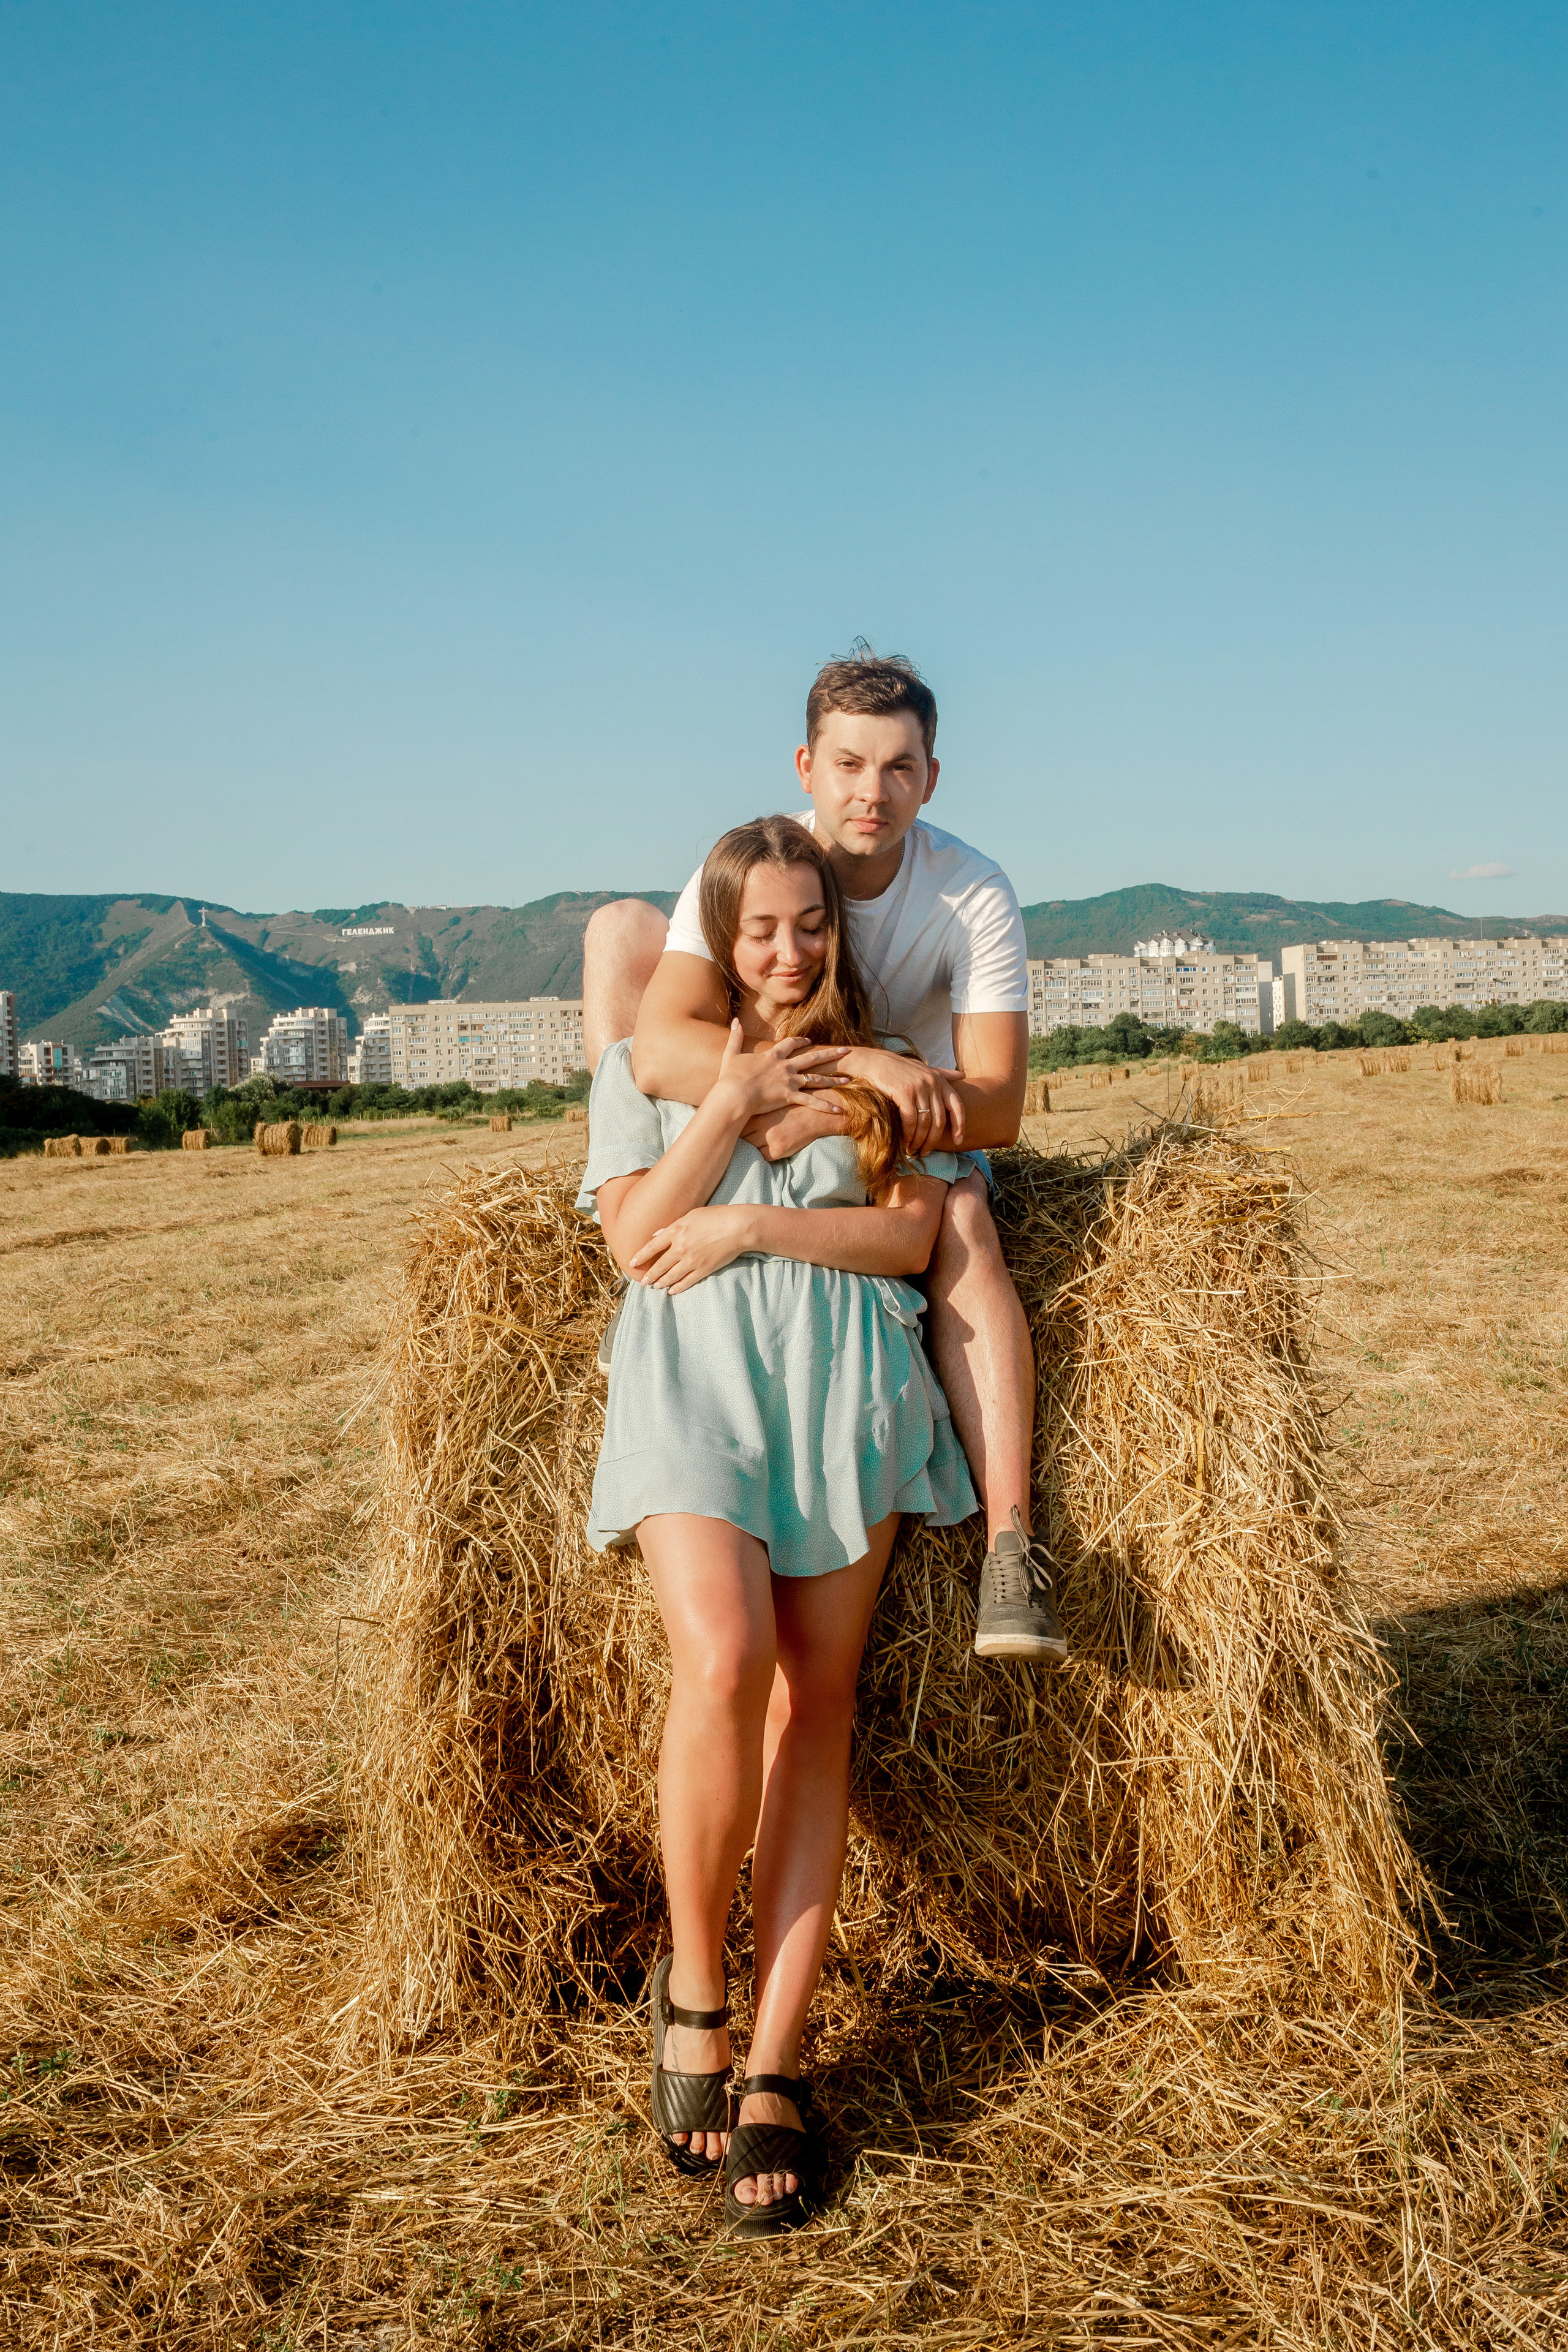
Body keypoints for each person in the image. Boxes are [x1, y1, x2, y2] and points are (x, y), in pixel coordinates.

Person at [578, 816, 977, 2237]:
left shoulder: (889, 1071)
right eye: (760, 929)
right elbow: (633, 1240)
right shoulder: (651, 1059)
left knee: (818, 1706)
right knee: (724, 1658)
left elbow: (905, 1241)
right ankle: (692, 1990)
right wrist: (729, 1102)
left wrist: (755, 1228)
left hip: (844, 1394)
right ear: (719, 937)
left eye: (810, 924)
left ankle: (773, 2065)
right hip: (690, 1381)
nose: (789, 949)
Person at [582, 648, 1066, 1661]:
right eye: (850, 765)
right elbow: (657, 1045)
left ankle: (1012, 1546)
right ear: (807, 766)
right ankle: (623, 1187)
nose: (872, 792)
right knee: (618, 932)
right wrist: (843, 1070)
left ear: (931, 777)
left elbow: (1000, 1108)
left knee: (966, 1218)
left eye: (898, 768)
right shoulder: (758, 866)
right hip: (782, 1104)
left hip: (899, 1141)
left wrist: (868, 1099)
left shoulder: (972, 893)